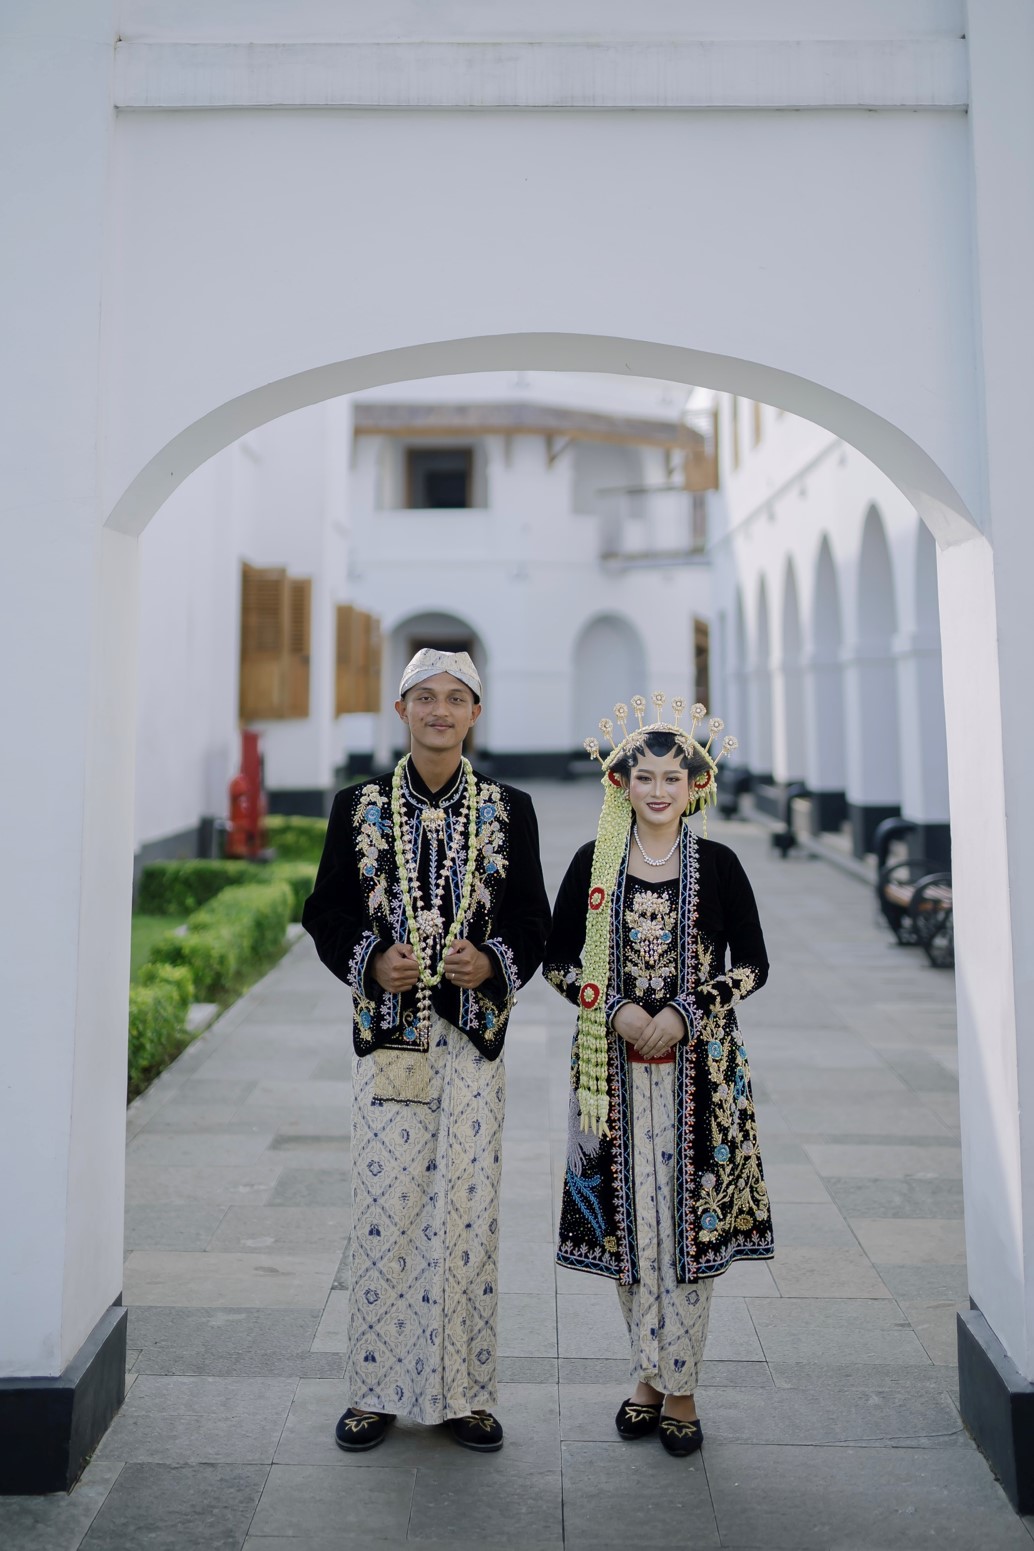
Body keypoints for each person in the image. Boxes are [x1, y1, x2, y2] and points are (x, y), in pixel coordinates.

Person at [302, 648, 550, 1455]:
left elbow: (535, 920)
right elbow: (323, 911)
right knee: (385, 1214)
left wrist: (494, 963)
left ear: (476, 712)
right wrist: (372, 958)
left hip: (473, 1041)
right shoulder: (357, 806)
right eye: (425, 697)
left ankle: (465, 1394)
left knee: (469, 1217)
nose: (440, 710)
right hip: (389, 1042)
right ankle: (374, 1391)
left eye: (456, 697)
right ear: (401, 708)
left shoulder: (510, 807)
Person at [542, 694, 772, 1458]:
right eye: (645, 776)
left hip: (700, 1078)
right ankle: (648, 1372)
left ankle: (681, 1387)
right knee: (632, 1231)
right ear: (621, 783)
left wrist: (685, 1009)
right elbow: (556, 960)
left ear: (696, 785)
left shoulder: (721, 865)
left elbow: (754, 965)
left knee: (686, 1234)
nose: (660, 789)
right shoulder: (595, 863)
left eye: (674, 777)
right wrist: (611, 1009)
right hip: (610, 1078)